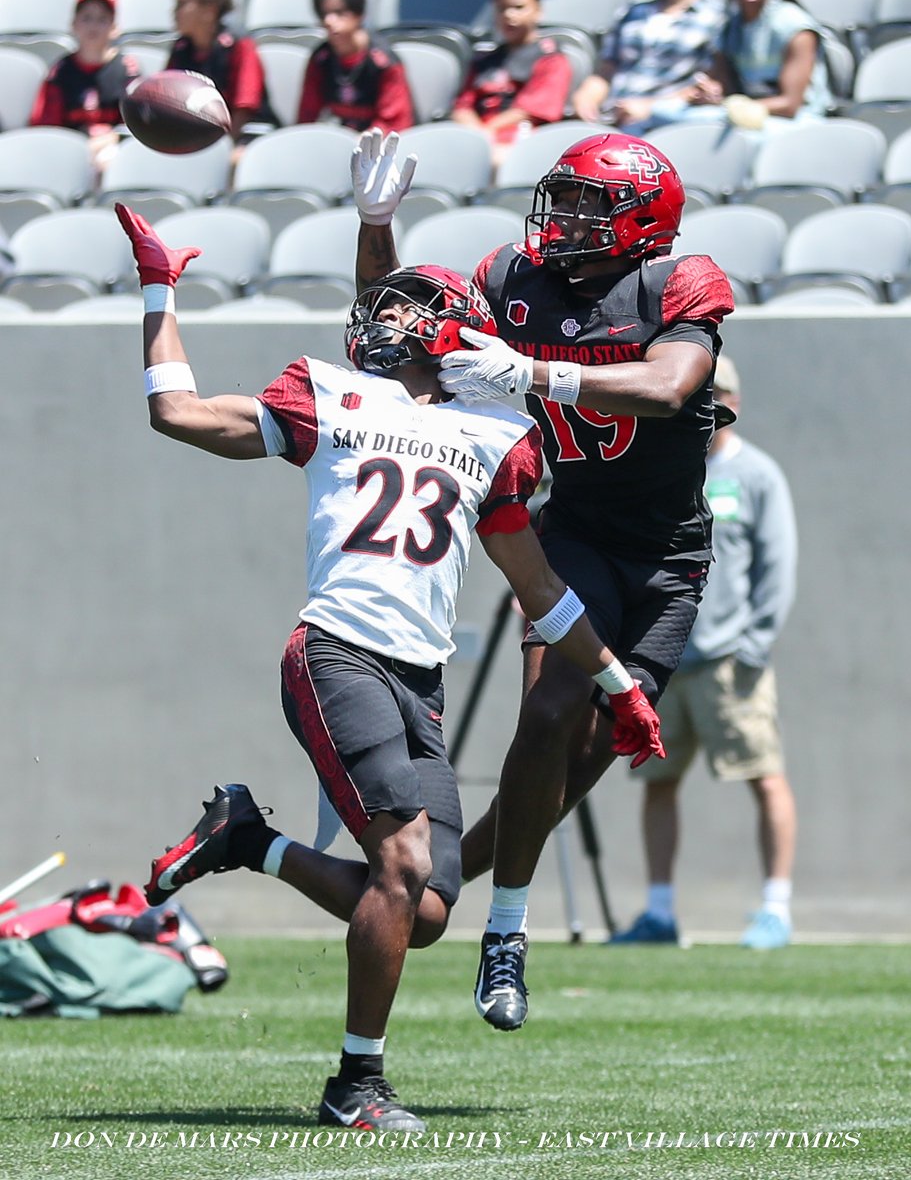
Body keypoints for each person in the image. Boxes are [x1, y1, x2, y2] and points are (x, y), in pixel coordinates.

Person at [113, 201, 664, 1129]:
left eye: (404, 309)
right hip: (335, 650)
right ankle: (355, 1087)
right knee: (405, 865)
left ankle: (249, 839)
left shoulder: (493, 438)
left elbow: (541, 593)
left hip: (420, 678)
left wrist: (618, 687)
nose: (380, 320)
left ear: (445, 335)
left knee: (431, 906)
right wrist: (160, 287)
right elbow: (179, 413)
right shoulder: (333, 394)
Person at [351, 128, 734, 1031]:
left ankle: (448, 881)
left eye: (585, 205)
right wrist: (375, 224)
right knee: (553, 708)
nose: (560, 219)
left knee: (584, 762)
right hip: (574, 536)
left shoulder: (678, 282)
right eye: (557, 198)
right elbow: (392, 324)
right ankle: (508, 936)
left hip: (669, 559)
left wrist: (530, 372)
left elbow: (672, 385)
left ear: (642, 218)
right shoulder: (510, 280)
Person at [609, 354, 798, 949]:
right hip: (662, 663)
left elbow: (778, 568)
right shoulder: (666, 469)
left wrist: (753, 647)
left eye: (712, 397)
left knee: (763, 776)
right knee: (657, 784)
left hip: (728, 665)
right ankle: (660, 912)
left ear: (731, 404)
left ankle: (776, 907)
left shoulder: (758, 475)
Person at [571, 0, 724, 135]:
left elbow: (709, 84)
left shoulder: (716, 18)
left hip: (666, 125)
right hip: (614, 119)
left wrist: (650, 107)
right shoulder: (633, 12)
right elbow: (607, 69)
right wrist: (587, 96)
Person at [451, 0, 572, 171]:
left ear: (538, 10)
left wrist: (487, 132)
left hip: (521, 140)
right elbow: (462, 107)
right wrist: (477, 135)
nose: (509, 15)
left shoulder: (551, 59)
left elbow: (530, 111)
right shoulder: (484, 59)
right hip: (478, 137)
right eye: (501, 9)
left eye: (519, 7)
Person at [686, 0, 833, 132]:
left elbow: (790, 105)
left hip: (795, 121)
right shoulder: (729, 28)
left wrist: (732, 106)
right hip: (741, 114)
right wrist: (713, 92)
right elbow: (723, 83)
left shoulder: (795, 26)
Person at [29, 0, 141, 176]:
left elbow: (136, 125)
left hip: (112, 151)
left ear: (115, 27)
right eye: (86, 18)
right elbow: (46, 126)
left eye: (102, 19)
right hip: (67, 154)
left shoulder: (127, 69)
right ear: (73, 25)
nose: (93, 26)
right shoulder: (60, 71)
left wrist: (108, 139)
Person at [167, 0, 278, 143]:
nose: (175, 12)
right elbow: (166, 92)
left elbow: (245, 106)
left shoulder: (240, 45)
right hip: (202, 135)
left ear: (209, 11)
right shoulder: (181, 48)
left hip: (248, 134)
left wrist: (223, 146)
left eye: (182, 4)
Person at [297, 0, 414, 134]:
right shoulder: (321, 58)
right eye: (324, 14)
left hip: (375, 147)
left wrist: (364, 142)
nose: (329, 21)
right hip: (336, 139)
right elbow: (308, 114)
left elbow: (394, 121)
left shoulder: (383, 62)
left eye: (339, 13)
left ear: (359, 15)